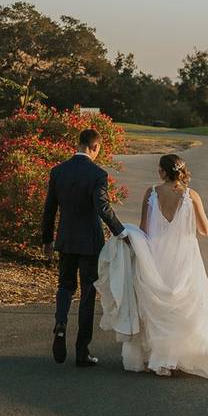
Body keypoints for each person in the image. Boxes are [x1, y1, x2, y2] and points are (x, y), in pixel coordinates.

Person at [95, 154, 208, 380]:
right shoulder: (192, 196)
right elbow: (205, 230)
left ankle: (160, 358)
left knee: (155, 307)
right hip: (184, 259)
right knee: (184, 307)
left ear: (163, 172)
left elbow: (144, 228)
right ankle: (176, 357)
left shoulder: (151, 193)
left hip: (155, 257)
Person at [41, 128, 129, 367]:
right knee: (88, 293)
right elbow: (102, 208)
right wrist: (121, 232)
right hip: (90, 243)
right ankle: (82, 351)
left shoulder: (58, 171)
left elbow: (49, 209)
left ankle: (60, 323)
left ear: (78, 143)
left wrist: (47, 239)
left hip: (66, 240)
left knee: (65, 286)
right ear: (95, 147)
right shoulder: (97, 174)